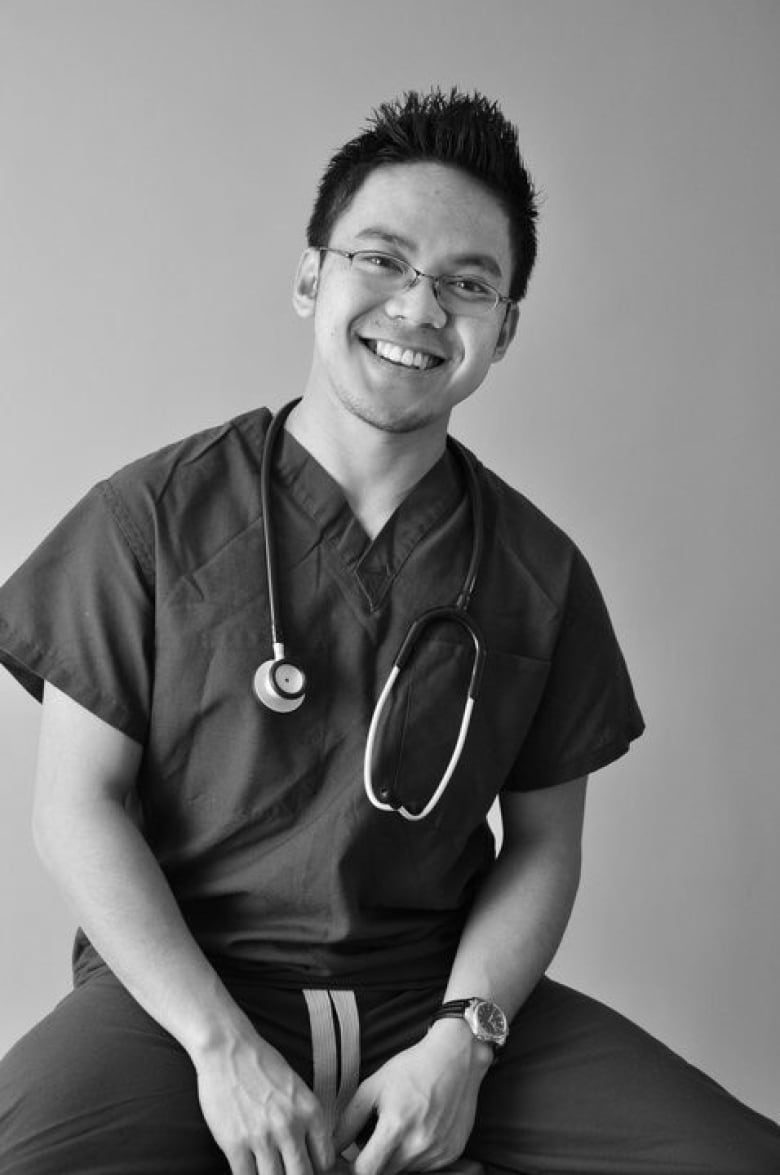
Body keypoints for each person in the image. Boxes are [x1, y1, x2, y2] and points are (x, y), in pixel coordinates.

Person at [0, 87, 777, 1175]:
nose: (421, 307)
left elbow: (545, 844)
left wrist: (464, 1039)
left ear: (502, 330)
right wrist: (221, 1048)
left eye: (469, 283)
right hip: (186, 994)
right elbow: (73, 808)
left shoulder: (537, 570)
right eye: (382, 259)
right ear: (312, 275)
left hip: (432, 990)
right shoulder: (150, 518)